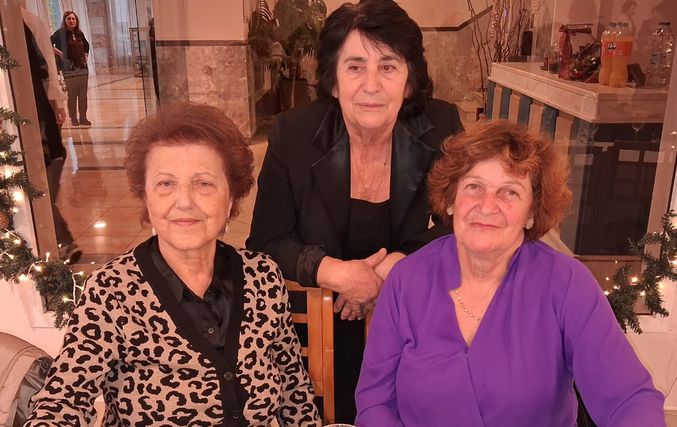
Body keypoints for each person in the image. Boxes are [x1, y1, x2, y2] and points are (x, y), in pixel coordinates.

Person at [25, 104, 321, 426]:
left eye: (204, 183)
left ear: (230, 199)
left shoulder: (262, 277)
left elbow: (295, 392)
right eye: (166, 183)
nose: (184, 201)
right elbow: (62, 400)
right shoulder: (111, 292)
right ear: (146, 197)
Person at [355, 120, 666, 426]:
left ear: (531, 213)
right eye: (474, 186)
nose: (487, 206)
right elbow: (375, 402)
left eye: (510, 192)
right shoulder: (407, 279)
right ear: (450, 200)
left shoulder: (566, 284)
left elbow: (630, 399)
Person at [246, 0, 463, 421]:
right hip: (321, 315)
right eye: (355, 67)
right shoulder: (294, 134)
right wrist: (337, 273)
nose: (371, 85)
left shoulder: (441, 126)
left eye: (388, 66)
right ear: (333, 80)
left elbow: (462, 225)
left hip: (410, 314)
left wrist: (400, 264)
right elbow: (266, 243)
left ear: (409, 81)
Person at [22, 5, 82, 263]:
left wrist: (57, 104)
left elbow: (47, 65)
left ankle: (63, 244)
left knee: (41, 195)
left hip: (42, 130)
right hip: (36, 129)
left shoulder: (28, 23)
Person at [51, 10, 91, 127]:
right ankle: (74, 118)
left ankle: (83, 117)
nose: (71, 21)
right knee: (73, 95)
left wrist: (86, 54)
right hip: (69, 69)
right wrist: (60, 53)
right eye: (69, 19)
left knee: (83, 95)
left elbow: (86, 45)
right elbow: (48, 43)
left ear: (76, 21)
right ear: (65, 21)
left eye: (73, 19)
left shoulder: (79, 33)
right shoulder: (60, 33)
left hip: (82, 68)